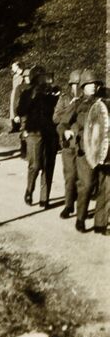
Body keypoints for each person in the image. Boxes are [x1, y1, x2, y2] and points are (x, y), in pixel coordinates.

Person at [57, 69, 101, 233]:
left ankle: (91, 218)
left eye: (95, 84)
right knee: (85, 183)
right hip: (82, 149)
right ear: (83, 87)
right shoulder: (76, 104)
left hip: (99, 149)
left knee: (94, 185)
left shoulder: (102, 103)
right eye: (89, 84)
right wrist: (66, 132)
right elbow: (61, 124)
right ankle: (80, 218)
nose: (93, 87)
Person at [16, 66, 58, 207]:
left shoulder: (50, 93)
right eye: (41, 78)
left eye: (46, 78)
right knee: (35, 165)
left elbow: (56, 109)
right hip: (34, 132)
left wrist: (54, 95)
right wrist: (32, 97)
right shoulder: (27, 93)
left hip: (49, 133)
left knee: (49, 165)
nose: (44, 81)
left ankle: (44, 198)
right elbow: (20, 110)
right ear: (35, 79)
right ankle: (29, 190)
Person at [54, 69, 82, 219]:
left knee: (83, 178)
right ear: (71, 85)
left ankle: (81, 209)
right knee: (70, 176)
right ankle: (69, 205)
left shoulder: (86, 100)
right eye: (75, 84)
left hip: (83, 143)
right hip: (68, 143)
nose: (77, 87)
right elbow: (55, 118)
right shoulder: (64, 99)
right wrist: (69, 108)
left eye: (79, 84)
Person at [14, 68, 32, 158]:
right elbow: (16, 101)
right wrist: (16, 114)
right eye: (26, 76)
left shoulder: (35, 86)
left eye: (29, 76)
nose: (28, 78)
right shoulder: (20, 87)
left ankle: (31, 152)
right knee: (24, 131)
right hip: (23, 113)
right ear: (23, 77)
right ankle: (24, 151)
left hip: (33, 113)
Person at [9, 62, 25, 131]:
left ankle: (20, 125)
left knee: (19, 108)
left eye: (13, 67)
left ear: (17, 67)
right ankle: (14, 126)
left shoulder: (22, 76)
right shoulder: (15, 76)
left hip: (19, 93)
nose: (12, 69)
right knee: (13, 109)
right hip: (14, 94)